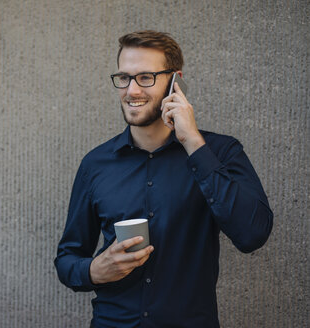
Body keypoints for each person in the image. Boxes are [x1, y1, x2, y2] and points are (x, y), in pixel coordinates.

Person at [54, 30, 273, 328]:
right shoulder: (95, 164)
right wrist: (94, 270)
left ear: (175, 81)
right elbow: (67, 259)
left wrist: (192, 142)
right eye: (124, 77)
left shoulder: (220, 152)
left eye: (145, 77)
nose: (131, 91)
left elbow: (252, 234)